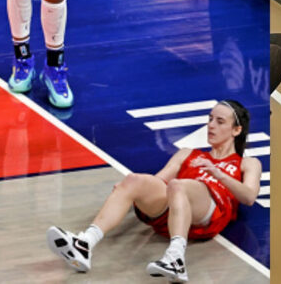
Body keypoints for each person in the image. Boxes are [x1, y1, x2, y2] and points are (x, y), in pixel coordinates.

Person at [45, 100, 261, 282]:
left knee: (178, 185)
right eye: (210, 119)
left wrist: (218, 174)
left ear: (236, 130)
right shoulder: (188, 154)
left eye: (219, 121)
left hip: (211, 213)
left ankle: (176, 258)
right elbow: (159, 181)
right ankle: (85, 243)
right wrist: (131, 192)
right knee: (133, 180)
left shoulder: (247, 163)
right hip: (174, 211)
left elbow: (249, 197)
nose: (211, 125)